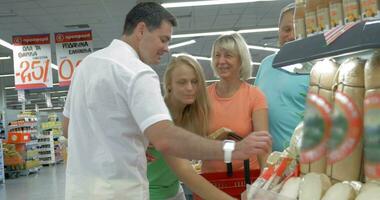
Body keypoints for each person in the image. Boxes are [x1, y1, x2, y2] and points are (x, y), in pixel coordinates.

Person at [62, 2, 272, 200]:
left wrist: (131, 141)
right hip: (122, 191)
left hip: (80, 190)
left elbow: (67, 128)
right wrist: (233, 149)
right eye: (163, 39)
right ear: (141, 30)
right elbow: (166, 141)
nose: (166, 48)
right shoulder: (138, 72)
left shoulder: (86, 66)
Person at [147, 54, 233, 200]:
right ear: (168, 84)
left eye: (194, 82)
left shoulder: (188, 114)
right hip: (150, 193)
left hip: (174, 190)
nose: (189, 88)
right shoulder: (159, 116)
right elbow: (184, 170)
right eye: (182, 82)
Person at [202, 33, 270, 173]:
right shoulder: (203, 96)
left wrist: (264, 183)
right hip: (209, 181)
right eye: (217, 55)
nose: (221, 61)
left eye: (228, 55)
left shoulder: (255, 96)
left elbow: (263, 146)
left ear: (241, 60)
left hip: (246, 178)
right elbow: (193, 139)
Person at [254, 3, 310, 152]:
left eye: (297, 30)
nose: (291, 36)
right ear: (278, 30)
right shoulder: (266, 65)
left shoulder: (318, 68)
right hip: (268, 162)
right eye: (286, 29)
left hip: (304, 160)